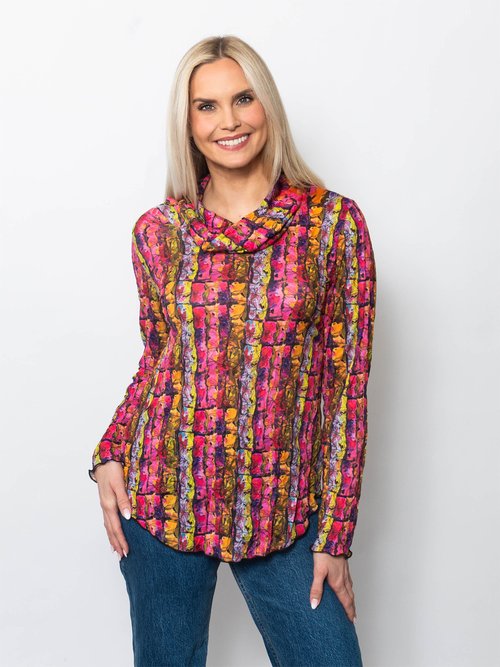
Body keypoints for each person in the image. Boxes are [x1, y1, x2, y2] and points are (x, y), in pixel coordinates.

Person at [89, 34, 377, 667]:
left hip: (283, 507)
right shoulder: (158, 233)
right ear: (189, 125)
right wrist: (111, 449)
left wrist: (335, 535)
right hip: (164, 495)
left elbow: (346, 391)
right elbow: (161, 360)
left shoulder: (334, 226)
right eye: (207, 106)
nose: (229, 121)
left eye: (243, 99)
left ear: (266, 105)